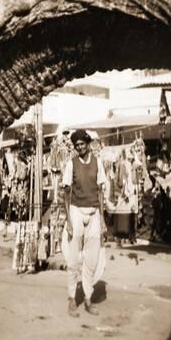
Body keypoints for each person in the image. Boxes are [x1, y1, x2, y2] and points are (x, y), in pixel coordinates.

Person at [62, 129, 107, 317]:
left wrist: (103, 219)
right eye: (77, 145)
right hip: (76, 210)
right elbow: (66, 193)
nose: (80, 147)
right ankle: (72, 298)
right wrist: (69, 221)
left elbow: (100, 193)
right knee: (73, 259)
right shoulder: (71, 165)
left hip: (94, 211)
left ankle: (88, 298)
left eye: (82, 144)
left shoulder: (98, 163)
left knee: (92, 258)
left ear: (88, 144)